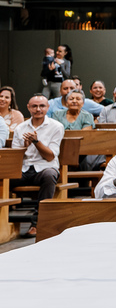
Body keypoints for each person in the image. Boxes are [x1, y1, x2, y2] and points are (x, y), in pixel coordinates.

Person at [11, 94, 64, 237]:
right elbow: (15, 157)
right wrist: (25, 146)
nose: (38, 109)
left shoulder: (56, 126)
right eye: (34, 106)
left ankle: (38, 224)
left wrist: (36, 142)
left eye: (42, 106)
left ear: (47, 107)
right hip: (24, 168)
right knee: (4, 176)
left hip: (44, 167)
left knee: (49, 175)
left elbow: (50, 156)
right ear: (28, 107)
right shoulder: (20, 128)